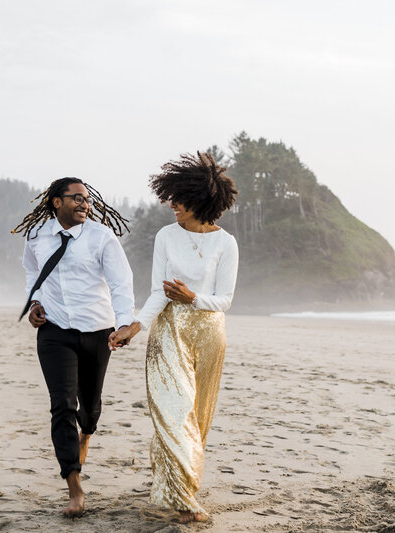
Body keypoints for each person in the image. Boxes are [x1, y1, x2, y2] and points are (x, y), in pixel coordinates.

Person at [109, 152, 239, 523]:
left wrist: (193, 297)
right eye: (172, 197)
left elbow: (225, 300)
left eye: (180, 199)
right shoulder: (166, 235)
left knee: (196, 417)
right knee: (174, 409)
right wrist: (135, 326)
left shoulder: (225, 244)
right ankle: (186, 501)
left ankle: (172, 478)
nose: (173, 205)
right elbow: (157, 291)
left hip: (209, 333)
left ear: (202, 200)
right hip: (169, 331)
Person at [12, 177, 135, 518]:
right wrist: (36, 302)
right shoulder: (36, 236)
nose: (85, 204)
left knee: (90, 408)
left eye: (88, 200)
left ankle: (88, 431)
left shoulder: (101, 237)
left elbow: (121, 281)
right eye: (77, 198)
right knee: (62, 405)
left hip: (97, 330)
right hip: (54, 331)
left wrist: (125, 323)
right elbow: (31, 270)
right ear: (56, 202)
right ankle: (74, 486)